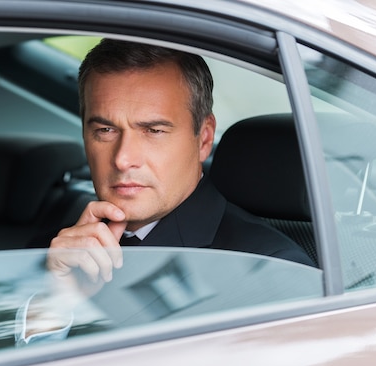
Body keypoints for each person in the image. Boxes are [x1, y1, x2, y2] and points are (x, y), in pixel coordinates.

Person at [17, 39, 314, 344]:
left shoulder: (270, 272)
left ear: (204, 138)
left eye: (154, 131)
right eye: (105, 130)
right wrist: (54, 303)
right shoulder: (52, 254)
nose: (123, 158)